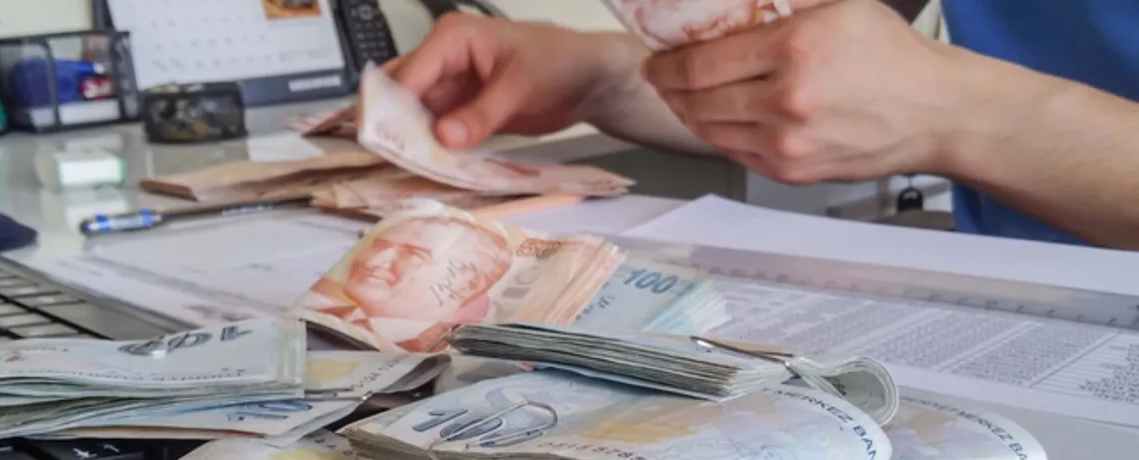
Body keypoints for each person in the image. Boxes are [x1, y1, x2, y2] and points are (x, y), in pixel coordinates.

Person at [386, 0, 1139, 249]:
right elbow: (809, 77)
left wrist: (961, 114)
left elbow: (920, 98)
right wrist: (602, 78)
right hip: (1021, 309)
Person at [307, 213, 512, 351]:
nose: (374, 260)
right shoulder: (315, 314)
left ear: (468, 284)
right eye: (379, 246)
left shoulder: (454, 351)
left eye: (413, 254)